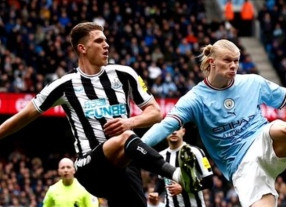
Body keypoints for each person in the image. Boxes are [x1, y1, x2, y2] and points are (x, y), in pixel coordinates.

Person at [140, 39, 286, 207]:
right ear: (211, 62)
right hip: (240, 166)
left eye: (237, 61)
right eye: (228, 61)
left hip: (262, 138)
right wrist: (136, 144)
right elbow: (167, 124)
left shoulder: (252, 82)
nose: (233, 66)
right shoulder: (195, 98)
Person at [0, 22, 199, 207]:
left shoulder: (124, 74)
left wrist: (130, 122)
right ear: (82, 49)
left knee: (127, 140)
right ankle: (177, 174)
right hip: (90, 166)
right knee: (127, 137)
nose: (106, 45)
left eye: (106, 40)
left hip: (124, 166)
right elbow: (23, 116)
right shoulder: (64, 85)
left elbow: (155, 112)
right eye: (99, 41)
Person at [152, 127, 214, 207]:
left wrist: (183, 189)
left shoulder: (195, 151)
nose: (174, 132)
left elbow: (209, 182)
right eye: (170, 129)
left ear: (183, 131)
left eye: (177, 128)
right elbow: (162, 180)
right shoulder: (161, 156)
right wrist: (156, 192)